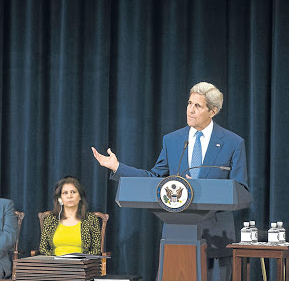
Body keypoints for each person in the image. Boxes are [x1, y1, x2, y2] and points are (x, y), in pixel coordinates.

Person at [92, 81, 248, 281]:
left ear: (213, 111)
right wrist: (117, 167)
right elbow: (155, 179)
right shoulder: (173, 140)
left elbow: (240, 188)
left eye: (197, 106)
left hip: (217, 238)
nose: (190, 110)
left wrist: (202, 188)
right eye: (189, 103)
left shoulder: (233, 142)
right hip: (177, 236)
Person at [39, 176, 101, 256]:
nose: (69, 196)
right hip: (55, 265)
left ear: (80, 197)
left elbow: (96, 249)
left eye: (73, 192)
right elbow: (43, 248)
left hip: (80, 266)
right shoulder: (51, 219)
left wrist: (82, 260)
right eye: (65, 193)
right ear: (60, 198)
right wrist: (54, 259)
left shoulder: (91, 219)